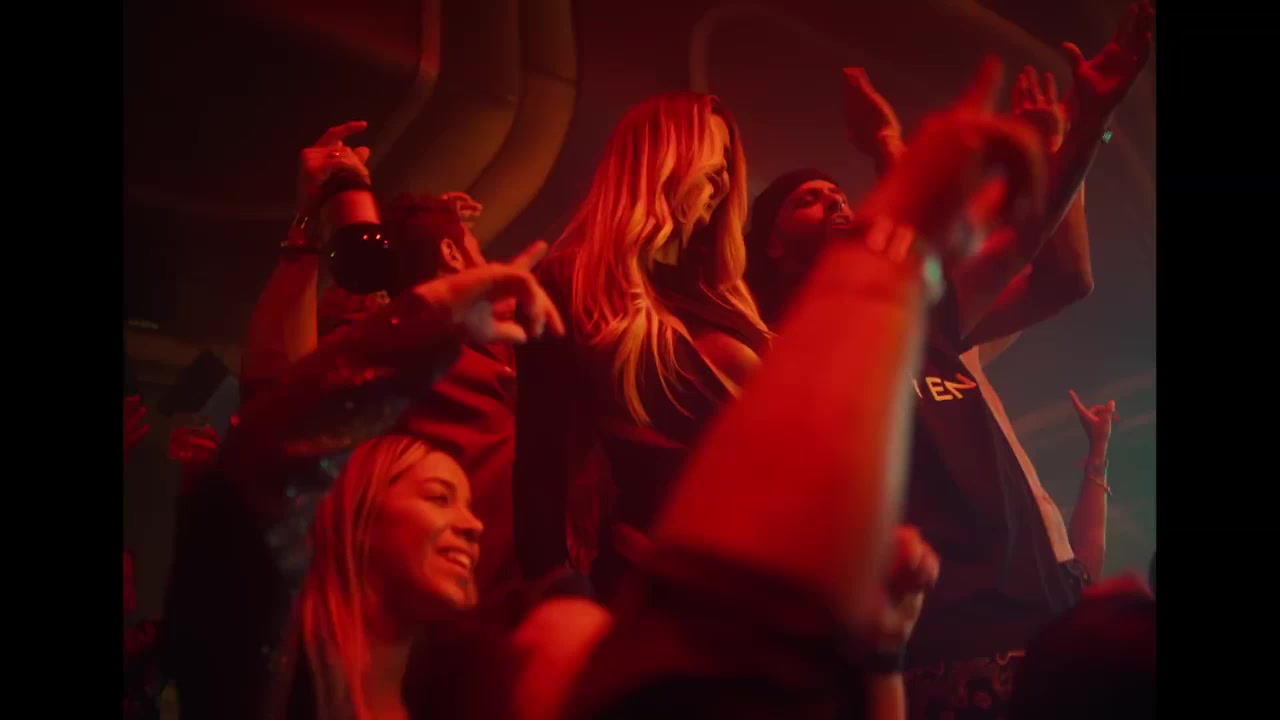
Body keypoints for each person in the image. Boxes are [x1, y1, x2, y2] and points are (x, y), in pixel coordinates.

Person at [740, 4, 1153, 716]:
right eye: (809, 199)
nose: (835, 200)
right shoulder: (774, 356)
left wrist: (1087, 124)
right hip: (945, 646)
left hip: (1044, 618)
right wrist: (891, 148)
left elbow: (1032, 251)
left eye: (838, 191)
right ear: (771, 246)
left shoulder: (918, 313)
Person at [239, 122, 525, 623]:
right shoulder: (397, 349)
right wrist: (310, 225)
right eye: (475, 250)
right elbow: (278, 399)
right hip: (418, 618)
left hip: (499, 614)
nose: (487, 264)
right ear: (452, 255)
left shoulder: (503, 349)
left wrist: (436, 228)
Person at [512, 91, 772, 602]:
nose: (723, 179)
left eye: (728, 164)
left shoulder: (724, 295)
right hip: (651, 584)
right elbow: (541, 457)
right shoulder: (572, 284)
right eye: (712, 157)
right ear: (663, 158)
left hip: (758, 579)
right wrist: (552, 591)